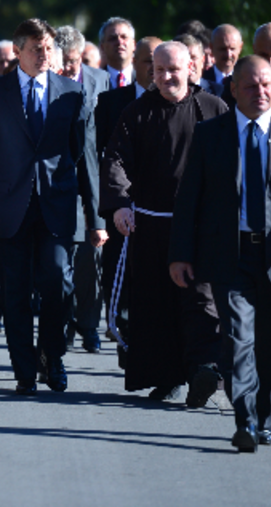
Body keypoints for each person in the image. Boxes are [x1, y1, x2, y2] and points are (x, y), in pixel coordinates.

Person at [169, 55, 271, 452]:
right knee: (238, 338)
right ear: (233, 90)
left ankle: (265, 418)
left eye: (266, 85)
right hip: (231, 254)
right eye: (250, 86)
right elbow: (189, 198)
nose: (260, 92)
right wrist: (180, 253)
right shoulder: (210, 135)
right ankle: (243, 419)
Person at [0, 18, 98, 395]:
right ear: (17, 52)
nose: (44, 55)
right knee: (15, 290)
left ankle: (53, 357)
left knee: (58, 284)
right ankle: (24, 369)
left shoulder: (71, 92)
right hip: (11, 206)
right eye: (36, 48)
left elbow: (86, 157)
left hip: (58, 205)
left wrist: (96, 218)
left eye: (48, 48)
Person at [102, 41, 227, 402]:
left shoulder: (214, 109)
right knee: (157, 305)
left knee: (202, 299)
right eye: (159, 70)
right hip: (152, 225)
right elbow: (116, 161)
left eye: (174, 69)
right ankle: (167, 375)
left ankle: (203, 369)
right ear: (151, 72)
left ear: (191, 68)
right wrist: (120, 204)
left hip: (201, 228)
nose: (167, 76)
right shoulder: (136, 113)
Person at [93, 36, 160, 352]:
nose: (152, 68)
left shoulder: (184, 104)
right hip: (121, 206)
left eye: (157, 62)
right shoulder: (111, 102)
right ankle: (123, 332)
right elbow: (101, 156)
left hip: (162, 209)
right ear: (135, 62)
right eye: (146, 60)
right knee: (119, 274)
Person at [55, 25, 110, 352]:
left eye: (76, 60)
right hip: (59, 184)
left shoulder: (99, 80)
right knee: (62, 265)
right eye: (66, 61)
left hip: (93, 183)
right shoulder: (48, 85)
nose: (71, 67)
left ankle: (89, 324)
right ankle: (63, 324)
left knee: (90, 262)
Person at [201, 24, 243, 102]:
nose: (228, 54)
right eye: (223, 49)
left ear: (240, 48)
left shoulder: (247, 80)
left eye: (232, 49)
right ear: (212, 48)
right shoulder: (201, 80)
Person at [98, 17, 136, 88]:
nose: (119, 42)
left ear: (133, 45)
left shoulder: (145, 80)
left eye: (124, 37)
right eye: (112, 38)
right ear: (102, 47)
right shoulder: (94, 82)